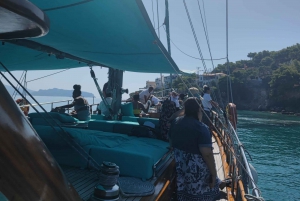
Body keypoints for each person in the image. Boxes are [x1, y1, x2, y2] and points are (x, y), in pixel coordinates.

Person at [169, 98, 227, 201]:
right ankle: (217, 185)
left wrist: (186, 109)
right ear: (198, 110)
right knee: (207, 169)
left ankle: (220, 183)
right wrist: (214, 175)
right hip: (195, 172)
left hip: (180, 166)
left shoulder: (175, 123)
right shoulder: (201, 128)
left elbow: (172, 117)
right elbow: (207, 154)